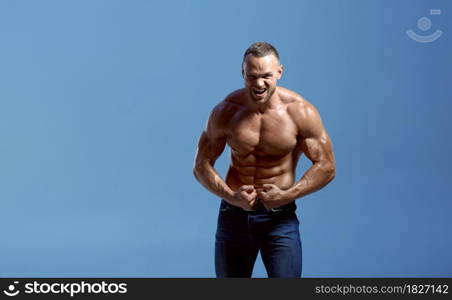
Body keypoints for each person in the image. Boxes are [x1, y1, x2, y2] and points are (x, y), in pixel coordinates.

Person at [193, 42, 336, 278]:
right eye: (252, 76)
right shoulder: (226, 111)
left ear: (279, 72)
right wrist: (231, 196)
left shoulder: (300, 112)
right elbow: (200, 166)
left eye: (266, 76)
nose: (259, 84)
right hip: (234, 216)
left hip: (279, 219)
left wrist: (287, 195)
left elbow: (327, 166)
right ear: (243, 73)